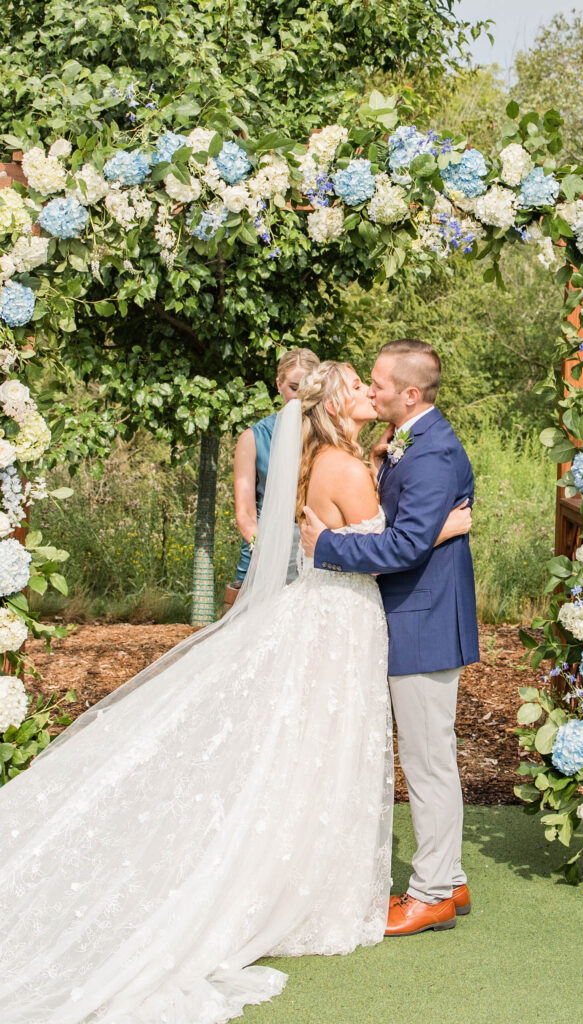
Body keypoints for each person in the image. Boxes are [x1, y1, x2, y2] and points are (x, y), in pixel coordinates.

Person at [0, 360, 470, 1024]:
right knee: (323, 748)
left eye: (375, 385)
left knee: (313, 745)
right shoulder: (345, 464)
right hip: (341, 617)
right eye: (360, 387)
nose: (370, 392)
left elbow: (364, 535)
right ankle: (317, 881)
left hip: (337, 615)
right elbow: (391, 544)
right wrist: (444, 528)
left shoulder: (329, 453)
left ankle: (378, 873)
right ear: (337, 402)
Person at [301, 339, 479, 938]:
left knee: (428, 764)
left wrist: (325, 545)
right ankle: (448, 877)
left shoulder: (428, 454)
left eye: (376, 383)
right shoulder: (411, 444)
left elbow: (402, 545)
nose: (371, 392)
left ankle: (429, 894)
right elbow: (417, 527)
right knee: (431, 760)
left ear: (408, 393)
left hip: (423, 622)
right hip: (415, 617)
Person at [223, 347, 319, 613]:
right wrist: (267, 550)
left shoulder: (326, 439)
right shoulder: (253, 439)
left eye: (308, 389)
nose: (300, 397)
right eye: (293, 388)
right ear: (278, 384)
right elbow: (245, 513)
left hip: (315, 558)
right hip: (264, 556)